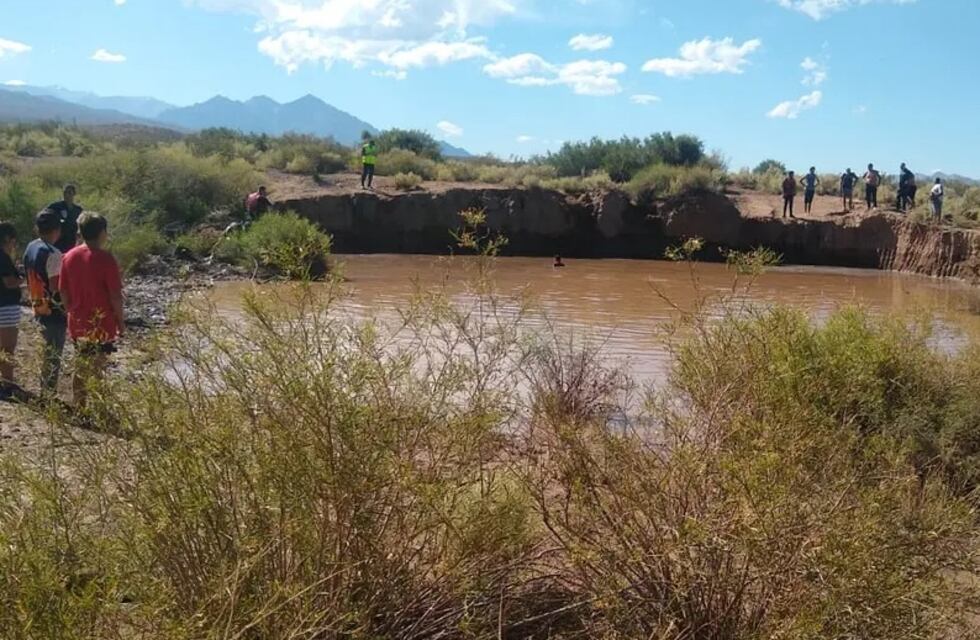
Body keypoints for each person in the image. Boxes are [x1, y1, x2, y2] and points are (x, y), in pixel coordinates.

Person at [59, 212, 124, 410]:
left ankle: (80, 407)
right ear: (102, 232)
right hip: (101, 324)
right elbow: (115, 296)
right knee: (98, 368)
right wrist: (121, 323)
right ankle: (99, 411)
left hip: (78, 322)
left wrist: (70, 310)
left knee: (81, 364)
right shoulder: (106, 259)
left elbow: (62, 290)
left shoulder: (69, 256)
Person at [24, 209, 66, 394]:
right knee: (53, 354)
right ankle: (47, 396)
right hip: (53, 310)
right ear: (56, 230)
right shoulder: (54, 253)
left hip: (36, 304)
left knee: (45, 351)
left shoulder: (31, 247)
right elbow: (56, 286)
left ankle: (44, 390)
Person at [0, 222, 22, 397]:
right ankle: (8, 384)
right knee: (7, 348)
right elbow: (9, 282)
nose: (14, 245)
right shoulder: (3, 257)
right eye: (13, 241)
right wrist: (23, 281)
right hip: (5, 308)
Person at [46, 183, 83, 255]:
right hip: (58, 242)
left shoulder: (78, 210)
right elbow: (45, 217)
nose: (67, 195)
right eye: (65, 192)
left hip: (72, 242)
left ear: (74, 194)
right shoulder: (56, 207)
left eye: (69, 192)